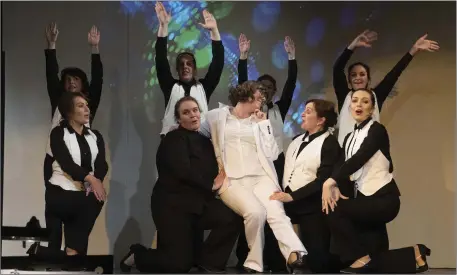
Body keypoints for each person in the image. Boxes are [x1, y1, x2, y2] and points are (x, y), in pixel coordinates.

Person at [119, 97, 243, 274]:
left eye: (195, 110)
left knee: (232, 215)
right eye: (186, 112)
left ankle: (209, 263)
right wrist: (211, 184)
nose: (193, 115)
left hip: (199, 204)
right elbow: (182, 171)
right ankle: (138, 255)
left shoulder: (205, 141)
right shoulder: (173, 139)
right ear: (178, 119)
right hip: (173, 207)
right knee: (179, 265)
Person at [200, 81, 307, 274]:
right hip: (233, 181)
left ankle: (295, 254)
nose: (262, 101)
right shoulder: (217, 116)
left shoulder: (260, 122)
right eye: (259, 96)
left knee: (275, 210)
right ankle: (254, 262)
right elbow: (195, 128)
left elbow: (274, 154)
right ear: (246, 95)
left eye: (264, 98)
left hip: (261, 177)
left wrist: (264, 125)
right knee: (256, 213)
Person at [321, 89, 431, 273]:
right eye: (355, 101)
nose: (359, 105)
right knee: (375, 260)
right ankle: (415, 254)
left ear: (372, 109)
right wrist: (335, 182)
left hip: (383, 199)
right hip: (365, 200)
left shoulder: (377, 130)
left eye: (365, 102)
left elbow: (361, 157)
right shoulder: (349, 137)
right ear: (350, 107)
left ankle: (360, 257)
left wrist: (329, 182)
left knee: (334, 208)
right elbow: (341, 164)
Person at [236, 33, 297, 272]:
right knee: (252, 210)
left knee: (274, 211)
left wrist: (292, 57)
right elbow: (241, 83)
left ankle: (275, 259)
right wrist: (243, 57)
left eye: (271, 89)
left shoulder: (279, 109)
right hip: (252, 164)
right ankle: (247, 257)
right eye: (262, 88)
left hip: (276, 165)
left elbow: (291, 85)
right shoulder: (248, 110)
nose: (267, 92)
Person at [43, 22, 104, 251]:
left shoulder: (89, 104)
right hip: (55, 159)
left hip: (83, 162)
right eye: (67, 80)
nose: (70, 83)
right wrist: (51, 45)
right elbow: (50, 75)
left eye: (75, 80)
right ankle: (52, 257)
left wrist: (95, 49)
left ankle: (75, 255)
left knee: (82, 215)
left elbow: (98, 80)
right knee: (55, 212)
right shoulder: (58, 100)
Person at [30, 91, 108, 258]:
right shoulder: (58, 133)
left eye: (87, 105)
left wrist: (97, 180)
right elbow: (66, 163)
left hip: (81, 194)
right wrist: (90, 179)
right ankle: (68, 252)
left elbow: (102, 164)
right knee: (58, 245)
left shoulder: (96, 136)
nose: (87, 109)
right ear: (69, 112)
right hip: (59, 193)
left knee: (96, 198)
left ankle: (70, 253)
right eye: (80, 106)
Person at [269, 99, 343, 273]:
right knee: (280, 258)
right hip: (288, 207)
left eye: (308, 111)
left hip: (312, 208)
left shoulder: (330, 143)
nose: (302, 114)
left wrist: (293, 196)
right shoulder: (296, 140)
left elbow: (323, 180)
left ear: (321, 119)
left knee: (317, 260)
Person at [334, 30, 440, 145]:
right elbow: (337, 69)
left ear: (368, 79)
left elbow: (394, 74)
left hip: (370, 157)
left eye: (362, 74)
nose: (358, 78)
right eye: (353, 75)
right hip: (344, 157)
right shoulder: (345, 96)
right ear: (349, 81)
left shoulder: (375, 96)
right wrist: (353, 46)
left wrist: (413, 51)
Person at [154, 1, 224, 137]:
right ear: (177, 70)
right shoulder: (170, 86)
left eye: (189, 64)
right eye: (181, 64)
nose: (185, 67)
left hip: (200, 141)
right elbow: (161, 59)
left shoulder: (204, 87)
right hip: (174, 141)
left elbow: (218, 64)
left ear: (195, 69)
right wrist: (163, 26)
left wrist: (214, 31)